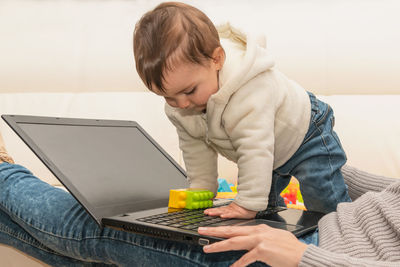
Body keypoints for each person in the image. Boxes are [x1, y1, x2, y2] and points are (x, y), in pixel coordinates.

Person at [1, 131, 399, 266]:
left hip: (307, 254)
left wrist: (301, 256)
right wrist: (303, 151)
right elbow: (388, 194)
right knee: (109, 245)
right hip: (306, 226)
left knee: (95, 225)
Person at [133, 2, 351, 219]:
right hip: (267, 155)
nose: (181, 104)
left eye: (189, 91)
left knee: (324, 204)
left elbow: (254, 146)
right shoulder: (182, 106)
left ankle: (349, 232)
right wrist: (202, 189)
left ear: (216, 60)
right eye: (168, 96)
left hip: (306, 133)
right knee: (264, 214)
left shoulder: (248, 90)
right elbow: (194, 147)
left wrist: (246, 204)